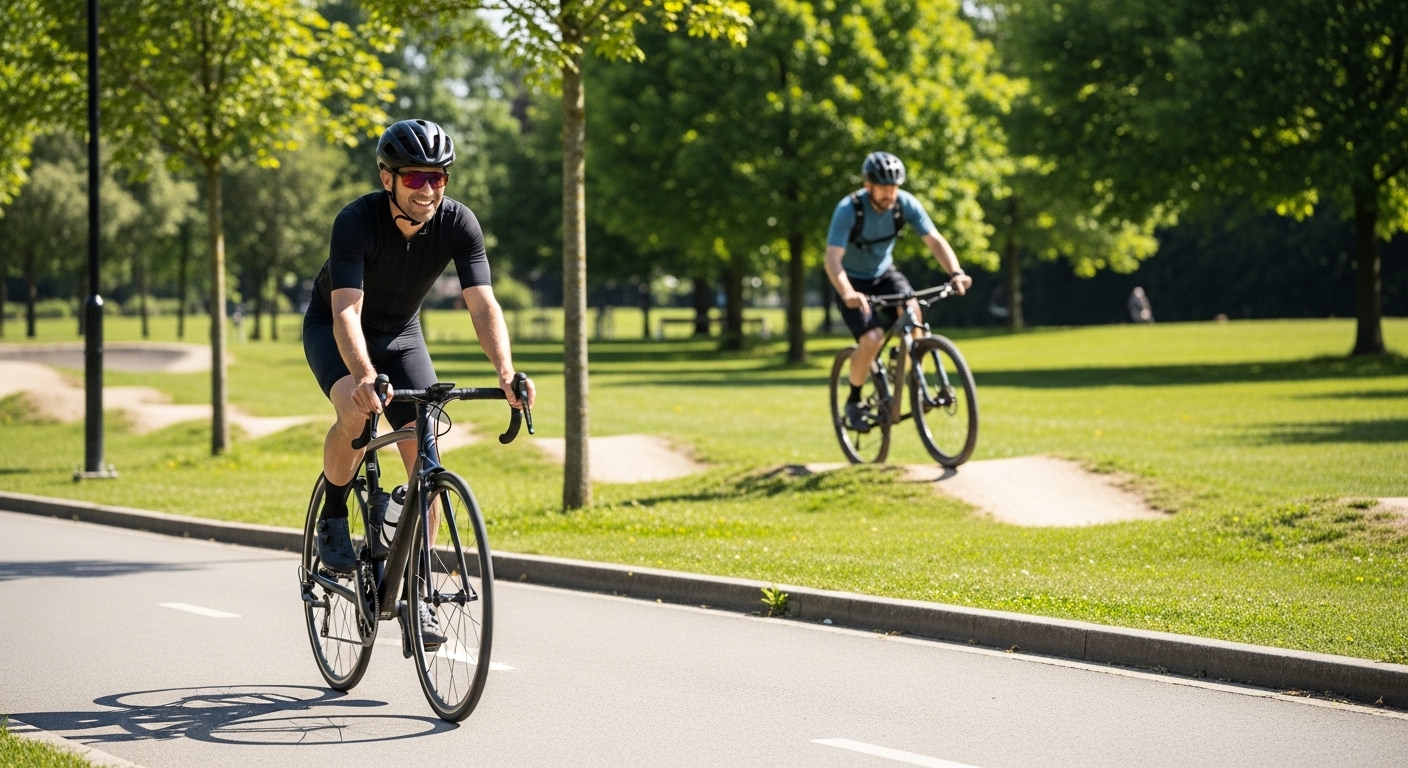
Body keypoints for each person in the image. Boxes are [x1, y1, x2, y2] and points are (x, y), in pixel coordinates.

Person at [302, 119, 535, 639]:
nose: (428, 190)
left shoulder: (460, 223)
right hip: (338, 329)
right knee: (356, 411)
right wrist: (364, 377)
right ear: (388, 179)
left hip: (403, 335)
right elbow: (345, 312)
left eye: (438, 179)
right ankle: (335, 514)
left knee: (426, 460)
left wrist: (505, 372)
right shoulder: (356, 221)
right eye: (414, 179)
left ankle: (416, 591)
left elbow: (482, 304)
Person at [823, 151, 971, 430]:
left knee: (914, 312)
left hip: (884, 273)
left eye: (894, 187)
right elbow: (832, 258)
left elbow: (934, 240)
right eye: (883, 187)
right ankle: (854, 402)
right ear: (869, 186)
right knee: (872, 338)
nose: (890, 193)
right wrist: (847, 292)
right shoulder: (848, 209)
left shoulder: (905, 205)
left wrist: (956, 272)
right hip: (851, 281)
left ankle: (914, 379)